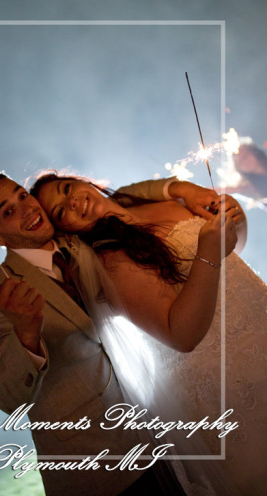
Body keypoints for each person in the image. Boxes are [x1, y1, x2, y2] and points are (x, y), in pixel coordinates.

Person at [32, 173, 263, 494]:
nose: (72, 201)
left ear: (85, 183)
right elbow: (180, 334)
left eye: (66, 188)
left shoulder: (158, 200)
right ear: (66, 230)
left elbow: (230, 254)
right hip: (227, 380)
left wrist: (235, 219)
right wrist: (209, 251)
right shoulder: (113, 258)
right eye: (61, 212)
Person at [0, 173, 185, 495]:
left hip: (156, 429)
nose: (27, 208)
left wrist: (178, 188)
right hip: (91, 463)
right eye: (8, 211)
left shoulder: (77, 234)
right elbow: (8, 398)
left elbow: (111, 199)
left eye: (22, 195)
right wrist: (26, 336)